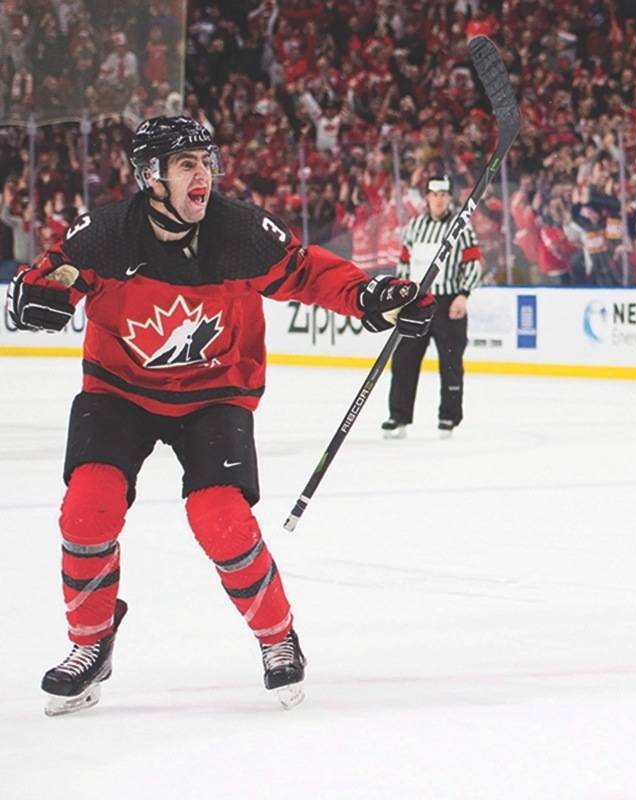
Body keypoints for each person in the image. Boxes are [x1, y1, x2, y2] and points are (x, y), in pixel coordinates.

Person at [4, 116, 434, 715]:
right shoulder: (105, 234)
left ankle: (278, 637)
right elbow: (48, 280)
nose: (201, 173)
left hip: (214, 394)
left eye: (206, 161)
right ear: (151, 176)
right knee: (87, 509)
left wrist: (369, 297)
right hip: (119, 390)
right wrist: (31, 299)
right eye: (186, 164)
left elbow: (305, 273)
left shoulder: (240, 231)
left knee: (220, 517)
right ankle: (89, 644)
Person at [382, 173, 482, 440]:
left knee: (450, 361)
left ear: (449, 198)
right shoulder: (414, 227)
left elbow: (472, 263)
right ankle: (398, 415)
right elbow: (403, 264)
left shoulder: (462, 227)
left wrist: (464, 295)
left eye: (443, 195)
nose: (438, 200)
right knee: (403, 359)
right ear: (427, 197)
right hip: (417, 302)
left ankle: (449, 416)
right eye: (433, 195)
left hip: (449, 303)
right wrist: (401, 297)